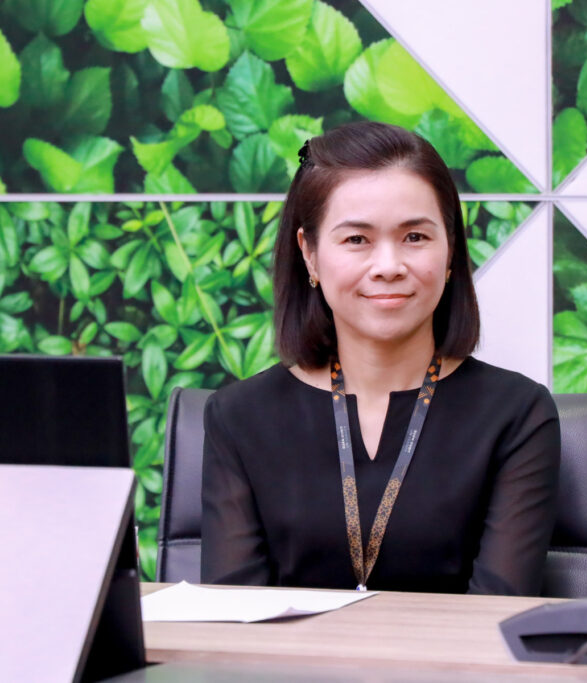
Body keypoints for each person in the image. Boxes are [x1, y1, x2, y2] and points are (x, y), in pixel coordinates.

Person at [201, 121, 560, 595]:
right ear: (309, 254)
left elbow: (496, 615)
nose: (389, 266)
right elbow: (232, 618)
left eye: (415, 237)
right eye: (357, 240)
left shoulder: (517, 414)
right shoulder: (240, 417)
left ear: (450, 250)